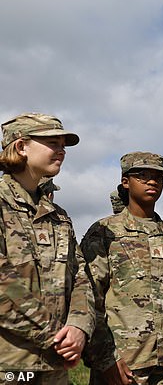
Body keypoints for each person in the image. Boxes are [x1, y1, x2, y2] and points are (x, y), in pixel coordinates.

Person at [81, 152, 163, 384]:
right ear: (126, 182)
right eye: (143, 176)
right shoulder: (105, 233)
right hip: (124, 365)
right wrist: (104, 358)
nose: (152, 182)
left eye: (158, 177)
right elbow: (88, 298)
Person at [0, 113, 95, 383]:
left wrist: (78, 327)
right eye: (52, 142)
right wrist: (55, 335)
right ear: (21, 147)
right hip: (9, 365)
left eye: (63, 144)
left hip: (54, 366)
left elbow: (80, 278)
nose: (61, 151)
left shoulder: (59, 216)